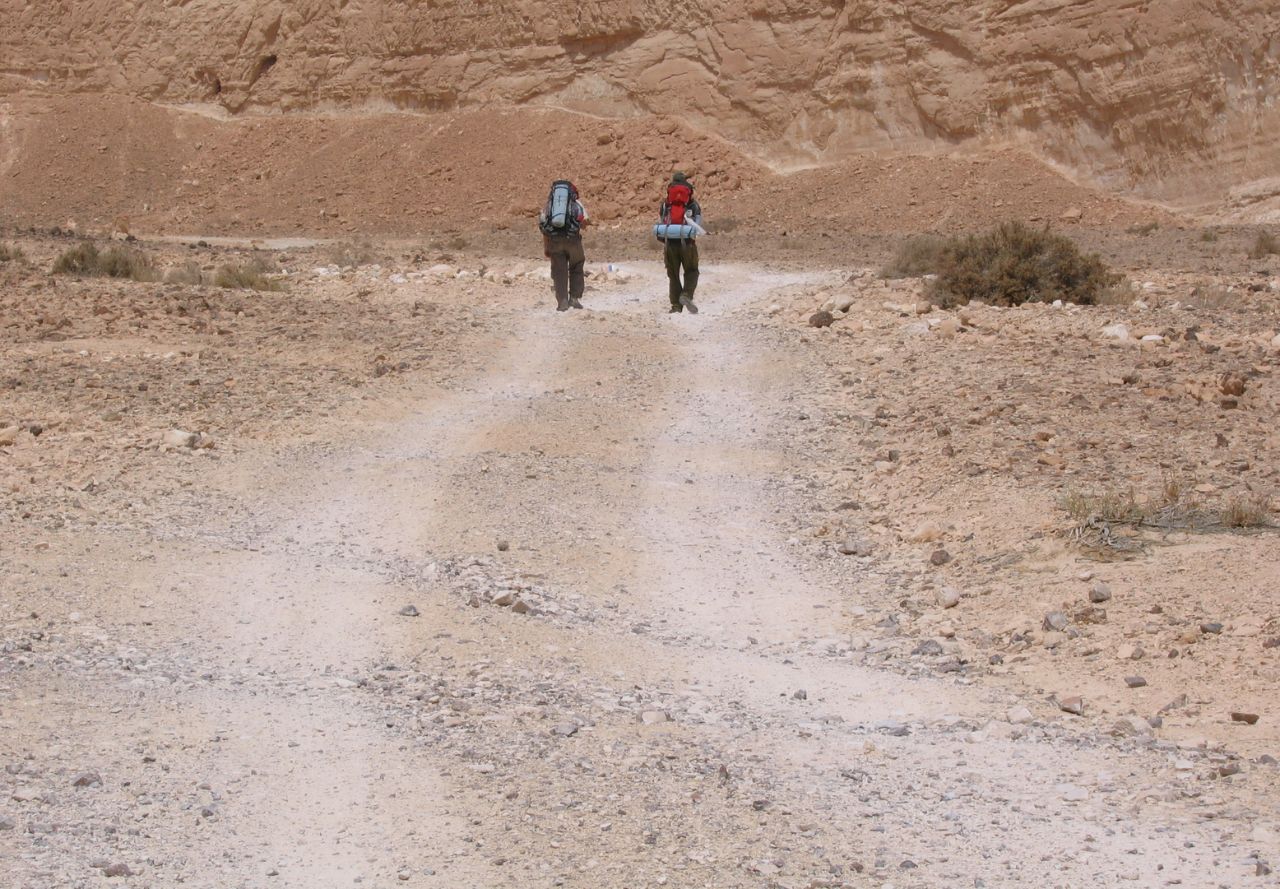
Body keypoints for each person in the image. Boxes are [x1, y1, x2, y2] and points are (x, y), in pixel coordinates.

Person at [538, 180, 589, 311]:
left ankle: (562, 302)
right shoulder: (577, 204)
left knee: (559, 271)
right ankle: (574, 298)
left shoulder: (548, 206)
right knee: (576, 266)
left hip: (554, 242)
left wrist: (546, 248)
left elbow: (543, 228)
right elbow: (584, 222)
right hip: (573, 241)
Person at [658, 172, 703, 314]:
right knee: (692, 271)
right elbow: (697, 223)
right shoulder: (692, 203)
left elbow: (662, 219)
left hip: (670, 244)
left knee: (673, 275)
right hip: (688, 243)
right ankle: (686, 295)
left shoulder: (666, 204)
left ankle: (676, 306)